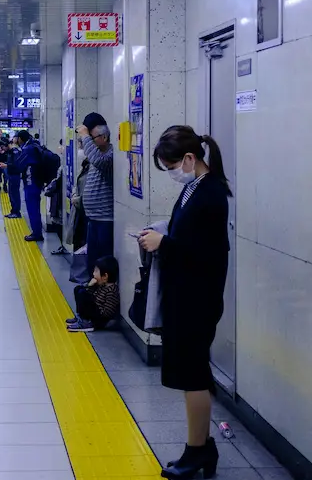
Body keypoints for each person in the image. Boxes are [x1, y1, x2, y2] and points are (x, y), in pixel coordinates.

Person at [138, 126, 231, 479]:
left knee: (194, 376)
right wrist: (162, 235)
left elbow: (207, 254)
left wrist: (164, 244)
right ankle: (200, 448)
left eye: (172, 166)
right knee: (192, 374)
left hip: (198, 299)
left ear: (190, 159)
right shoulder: (196, 188)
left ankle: (199, 451)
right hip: (186, 295)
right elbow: (189, 235)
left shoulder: (210, 195)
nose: (172, 174)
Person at [77, 113, 114, 275]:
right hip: (93, 218)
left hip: (106, 219)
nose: (88, 143)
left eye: (92, 138)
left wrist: (85, 136)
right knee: (93, 262)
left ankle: (104, 296)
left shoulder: (110, 155)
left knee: (103, 263)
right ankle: (94, 292)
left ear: (104, 137)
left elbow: (100, 162)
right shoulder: (96, 154)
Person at [0, 130, 43, 241]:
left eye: (17, 138)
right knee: (35, 208)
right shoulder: (34, 145)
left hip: (31, 182)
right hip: (36, 181)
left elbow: (19, 165)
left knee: (32, 208)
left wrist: (8, 165)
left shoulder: (27, 149)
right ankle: (37, 232)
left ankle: (37, 234)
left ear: (20, 138)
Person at [66, 256, 119, 332]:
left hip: (101, 320)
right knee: (78, 289)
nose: (93, 274)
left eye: (96, 271)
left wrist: (95, 308)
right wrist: (90, 286)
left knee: (83, 293)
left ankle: (86, 322)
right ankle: (81, 317)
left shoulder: (111, 290)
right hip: (96, 314)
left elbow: (108, 313)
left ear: (105, 276)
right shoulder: (101, 285)